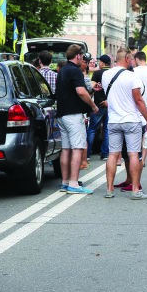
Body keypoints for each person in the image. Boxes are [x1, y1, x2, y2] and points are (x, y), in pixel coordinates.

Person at [101, 48, 147, 199]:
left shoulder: (105, 75)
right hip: (131, 120)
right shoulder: (132, 76)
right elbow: (138, 100)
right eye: (130, 59)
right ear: (127, 59)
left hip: (114, 120)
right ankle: (135, 190)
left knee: (112, 154)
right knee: (133, 154)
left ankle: (109, 189)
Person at [55, 45, 99, 194]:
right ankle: (74, 183)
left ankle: (65, 182)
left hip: (62, 114)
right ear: (78, 56)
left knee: (66, 149)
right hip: (73, 115)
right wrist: (93, 106)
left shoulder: (62, 71)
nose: (84, 59)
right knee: (78, 148)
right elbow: (80, 91)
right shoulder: (75, 71)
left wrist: (92, 91)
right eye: (82, 56)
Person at [88, 54, 112, 161]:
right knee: (107, 130)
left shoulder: (97, 73)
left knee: (92, 129)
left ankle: (87, 154)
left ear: (102, 63)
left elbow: (92, 87)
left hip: (98, 105)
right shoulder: (112, 73)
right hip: (110, 105)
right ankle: (105, 154)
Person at [79, 53, 94, 169]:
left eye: (88, 62)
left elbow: (88, 92)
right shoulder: (81, 75)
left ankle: (83, 160)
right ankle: (83, 160)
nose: (87, 64)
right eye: (85, 62)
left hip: (83, 110)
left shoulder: (85, 76)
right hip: (80, 109)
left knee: (83, 135)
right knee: (82, 136)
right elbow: (87, 92)